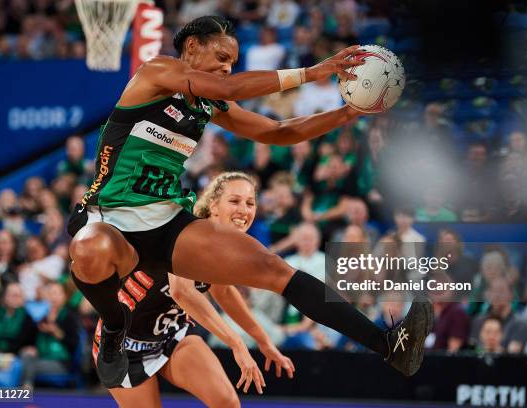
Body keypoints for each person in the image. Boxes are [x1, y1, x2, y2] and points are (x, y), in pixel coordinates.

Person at [68, 15, 433, 389]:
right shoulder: (157, 72)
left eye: (232, 62)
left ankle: (389, 346)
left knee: (274, 269)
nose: (228, 67)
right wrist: (314, 72)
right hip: (111, 218)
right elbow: (233, 89)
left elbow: (278, 132)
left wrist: (348, 112)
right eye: (222, 56)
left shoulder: (210, 103)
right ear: (192, 47)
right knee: (88, 246)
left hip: (165, 221)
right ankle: (114, 325)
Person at [105, 172, 293, 407]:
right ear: (213, 205)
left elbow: (223, 291)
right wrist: (237, 343)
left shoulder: (225, 245)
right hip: (124, 345)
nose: (244, 210)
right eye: (234, 201)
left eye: (250, 203)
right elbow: (181, 292)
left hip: (171, 335)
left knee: (227, 403)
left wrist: (263, 341)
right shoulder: (187, 232)